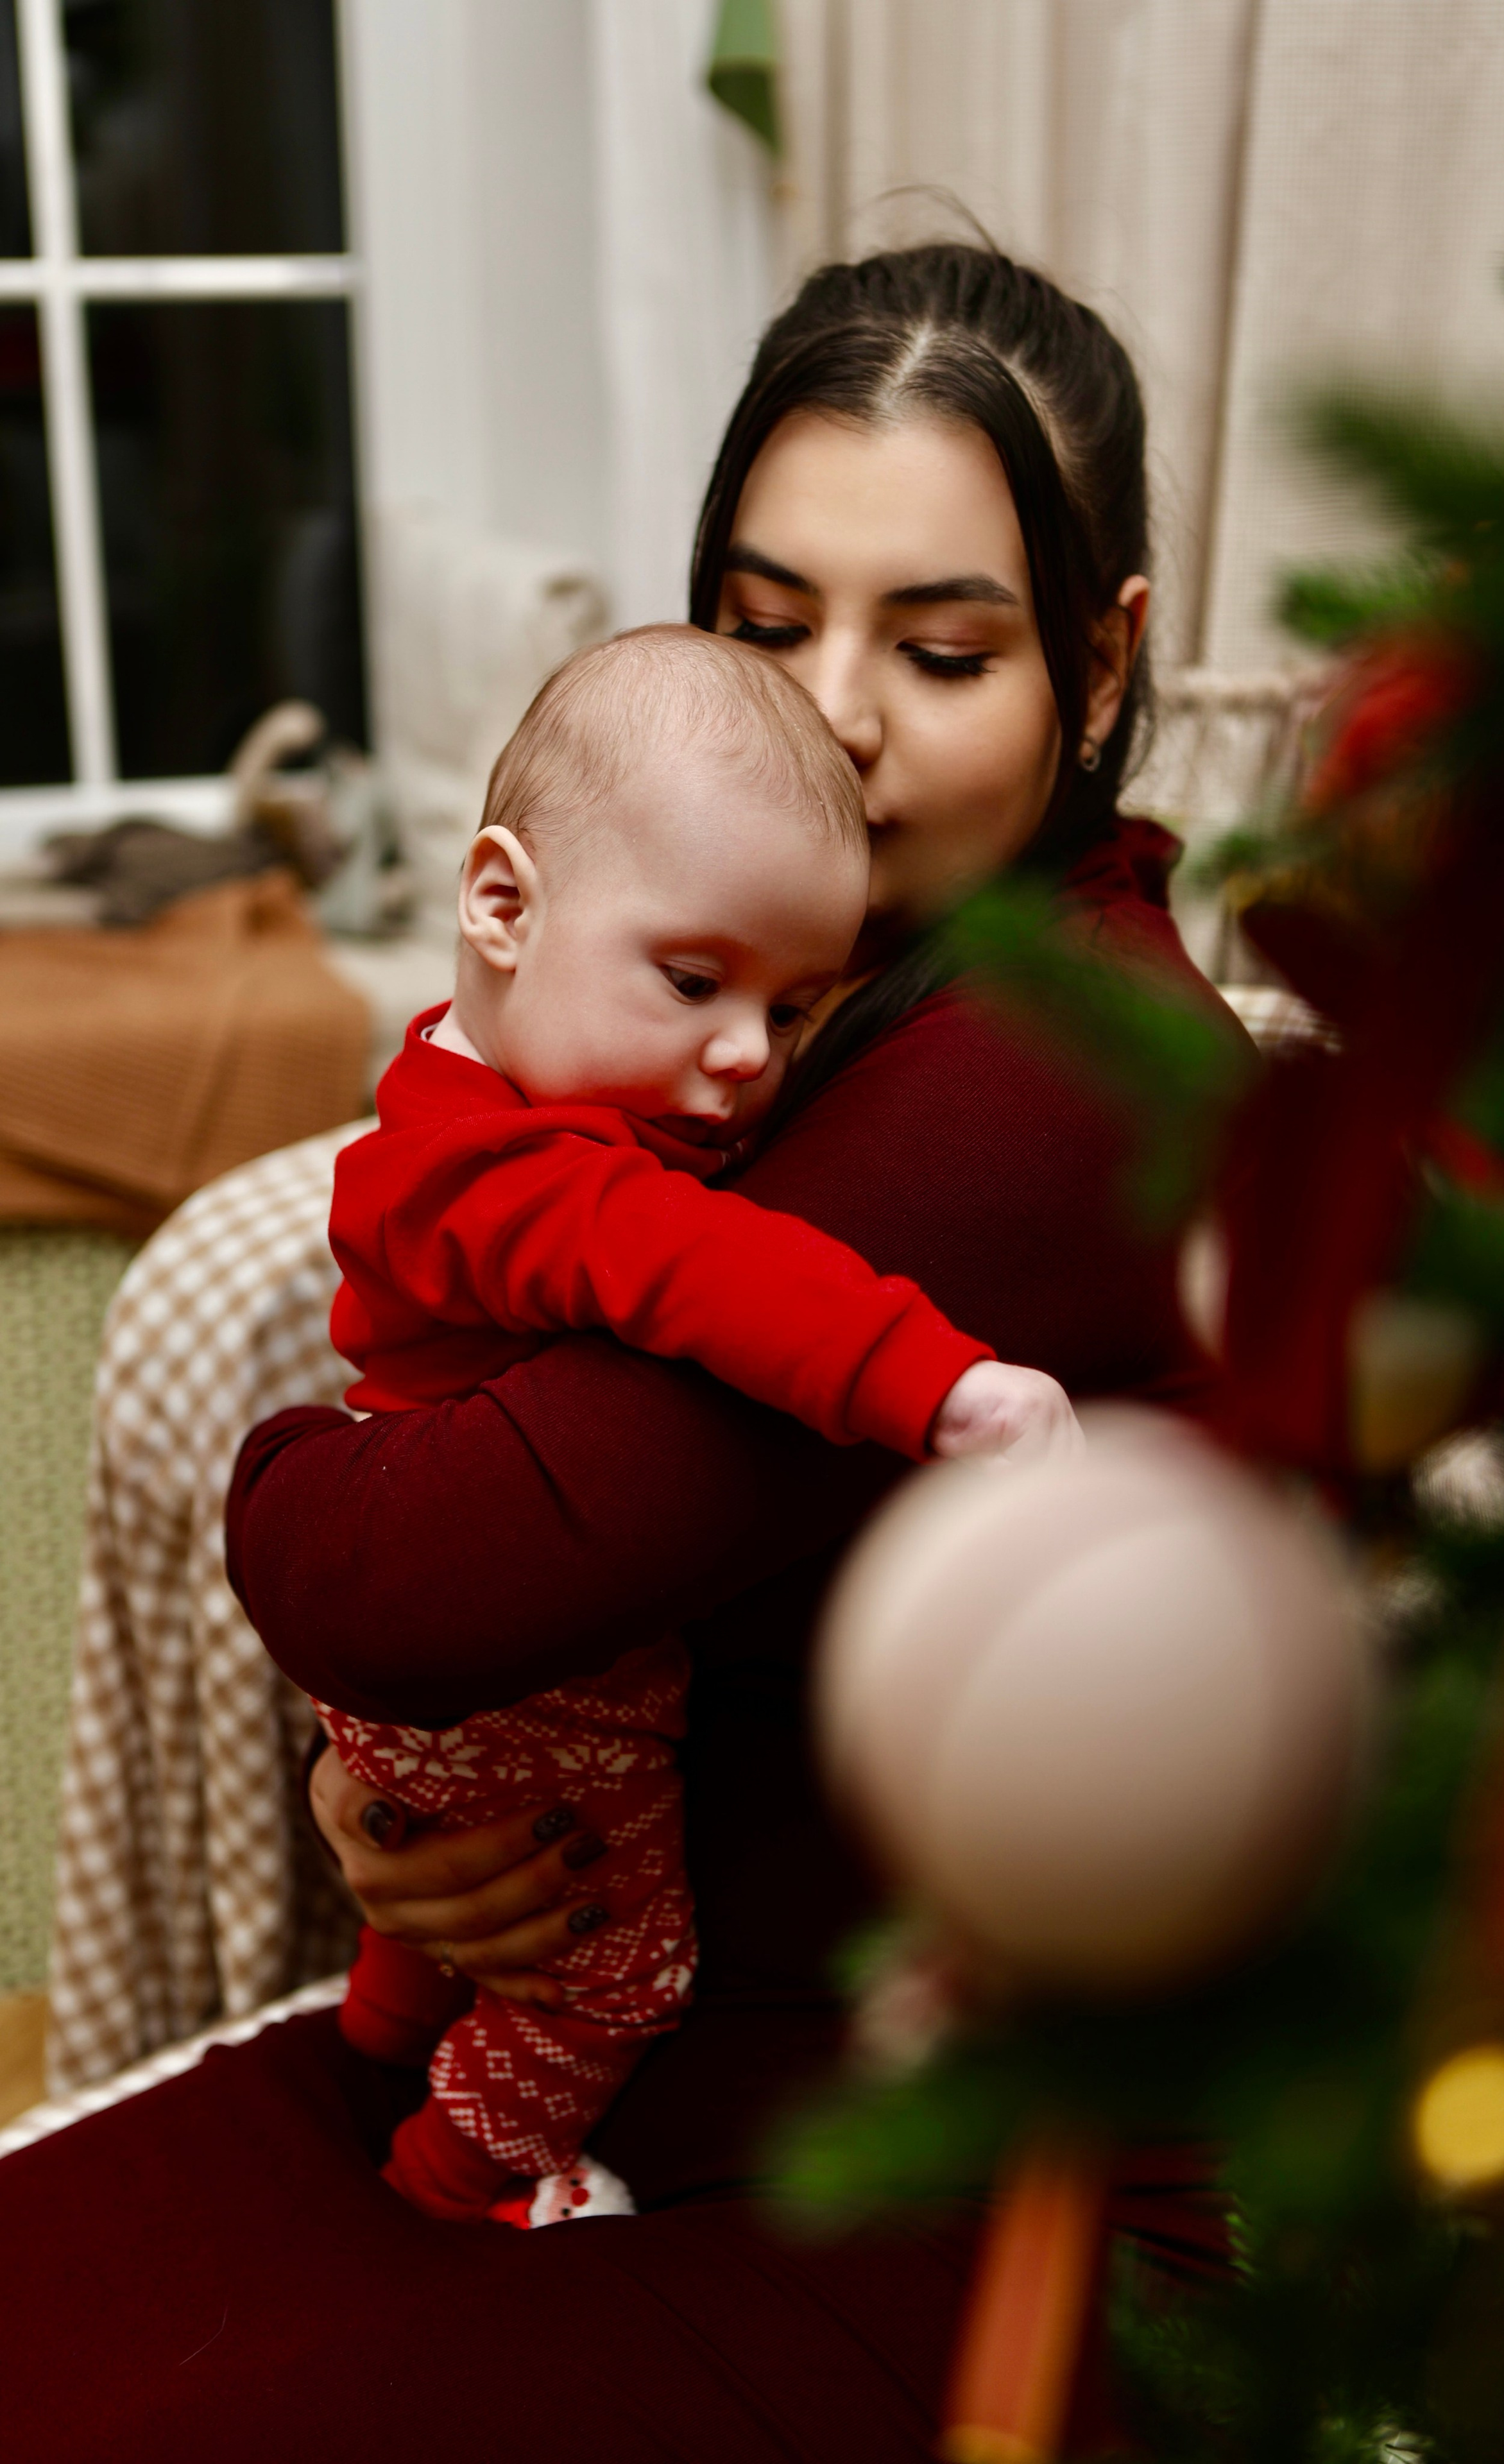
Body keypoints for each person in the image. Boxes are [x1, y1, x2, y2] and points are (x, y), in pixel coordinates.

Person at [0, 244, 1241, 2461]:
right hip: (610, 2059)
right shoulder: (804, 1009)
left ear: (1102, 655)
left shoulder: (1064, 1070)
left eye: (942, 647)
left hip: (946, 2220)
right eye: (767, 626)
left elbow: (402, 1568)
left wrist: (297, 1490)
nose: (836, 715)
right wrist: (394, 1800)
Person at [323, 622, 1075, 2228]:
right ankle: (465, 2175)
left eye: (795, 1009)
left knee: (444, 1881)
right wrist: (938, 1383)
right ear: (502, 905)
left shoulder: (451, 1100)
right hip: (524, 1679)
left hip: (429, 1676)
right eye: (691, 982)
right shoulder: (513, 1175)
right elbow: (697, 1273)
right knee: (614, 1980)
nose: (744, 1061)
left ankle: (377, 2034)